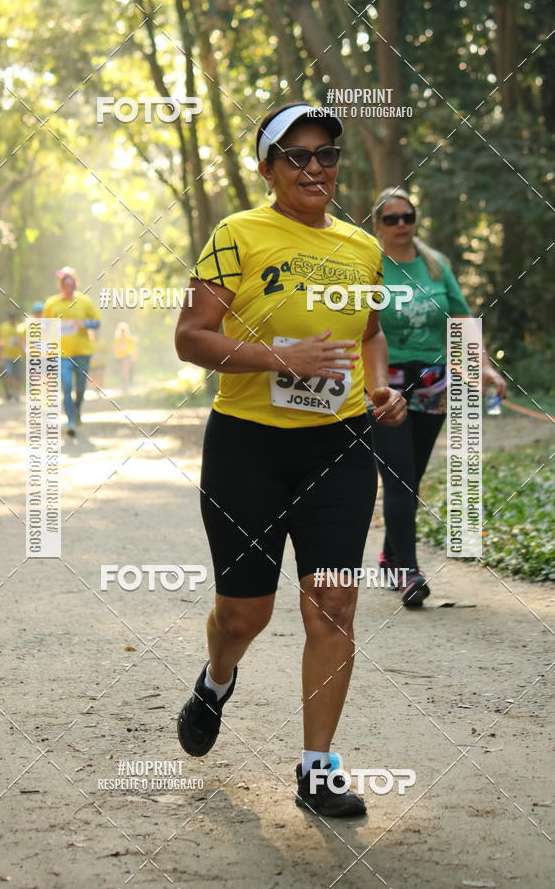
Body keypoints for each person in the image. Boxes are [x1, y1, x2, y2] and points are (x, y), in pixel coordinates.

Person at [174, 102, 406, 818]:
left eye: (326, 155)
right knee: (246, 615)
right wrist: (281, 357)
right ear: (267, 167)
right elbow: (190, 336)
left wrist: (379, 385)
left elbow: (368, 332)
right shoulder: (236, 235)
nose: (314, 168)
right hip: (247, 445)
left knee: (333, 604)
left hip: (338, 447)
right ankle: (217, 678)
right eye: (296, 155)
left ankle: (316, 771)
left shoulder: (363, 248)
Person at [370, 187, 507, 605]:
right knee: (399, 478)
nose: (401, 225)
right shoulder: (367, 263)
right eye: (391, 219)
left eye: (407, 216)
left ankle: (391, 555)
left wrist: (483, 365)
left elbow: (462, 319)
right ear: (377, 224)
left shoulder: (435, 264)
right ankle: (409, 573)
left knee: (412, 475)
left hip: (433, 383)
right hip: (383, 385)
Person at [42, 267, 100, 437]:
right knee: (67, 385)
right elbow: (45, 327)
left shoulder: (84, 301)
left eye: (72, 285)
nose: (70, 288)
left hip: (82, 352)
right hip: (61, 354)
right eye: (66, 285)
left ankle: (77, 410)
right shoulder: (51, 304)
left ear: (76, 285)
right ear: (61, 286)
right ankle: (70, 421)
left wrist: (85, 324)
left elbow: (97, 322)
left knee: (81, 387)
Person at [0, 310, 23, 401]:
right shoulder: (3, 327)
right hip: (6, 355)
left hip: (18, 356)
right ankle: (10, 391)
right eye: (11, 317)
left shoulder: (20, 327)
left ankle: (17, 394)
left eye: (14, 318)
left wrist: (21, 343)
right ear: (8, 318)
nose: (12, 319)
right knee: (8, 373)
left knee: (18, 376)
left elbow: (25, 340)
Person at [113, 322, 138, 392]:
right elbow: (115, 348)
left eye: (124, 330)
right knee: (121, 372)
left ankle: (125, 385)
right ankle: (122, 384)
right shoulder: (117, 339)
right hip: (119, 357)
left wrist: (135, 356)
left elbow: (133, 349)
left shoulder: (129, 339)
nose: (123, 332)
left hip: (127, 356)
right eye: (121, 330)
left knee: (125, 370)